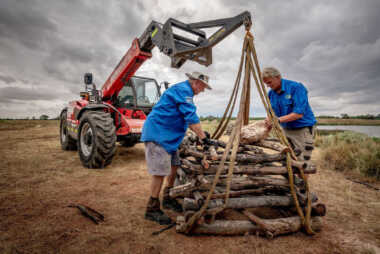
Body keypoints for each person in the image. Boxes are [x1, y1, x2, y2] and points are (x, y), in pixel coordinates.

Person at [141, 71, 212, 225]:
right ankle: (152, 208)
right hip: (158, 135)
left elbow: (187, 118)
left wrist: (200, 132)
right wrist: (203, 138)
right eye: (203, 87)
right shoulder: (183, 90)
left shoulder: (185, 92)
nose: (203, 90)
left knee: (174, 166)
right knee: (159, 172)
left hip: (169, 138)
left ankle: (168, 197)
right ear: (196, 83)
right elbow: (191, 117)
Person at [262, 67, 316, 165]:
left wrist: (277, 120)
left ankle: (303, 180)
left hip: (302, 130)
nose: (268, 86)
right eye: (266, 84)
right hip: (286, 130)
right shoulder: (271, 93)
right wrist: (268, 121)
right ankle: (292, 180)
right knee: (287, 159)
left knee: (301, 161)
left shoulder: (296, 88)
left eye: (269, 82)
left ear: (278, 77)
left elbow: (299, 113)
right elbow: (270, 112)